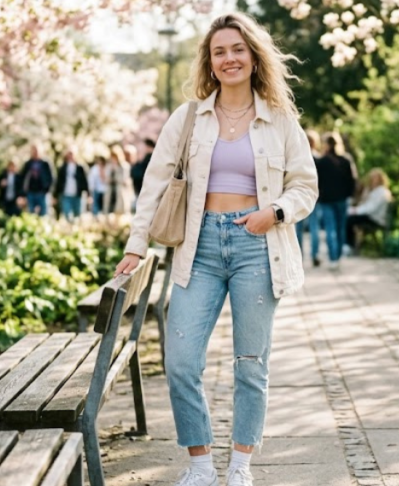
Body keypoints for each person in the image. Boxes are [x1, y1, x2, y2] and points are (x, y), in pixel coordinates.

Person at [114, 12, 318, 486]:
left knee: (251, 363)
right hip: (198, 246)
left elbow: (306, 185)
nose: (229, 59)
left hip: (256, 246)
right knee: (180, 362)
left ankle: (241, 465)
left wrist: (276, 212)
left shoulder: (280, 119)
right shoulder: (188, 117)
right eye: (219, 51)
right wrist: (136, 245)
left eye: (237, 49)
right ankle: (201, 463)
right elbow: (155, 184)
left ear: (253, 56)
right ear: (210, 61)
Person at [315, 132, 357, 270]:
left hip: (327, 200)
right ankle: (337, 257)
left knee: (330, 229)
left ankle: (333, 258)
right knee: (340, 228)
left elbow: (316, 182)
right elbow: (352, 180)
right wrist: (349, 195)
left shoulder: (321, 162)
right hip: (342, 199)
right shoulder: (346, 161)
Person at [294, 129, 323, 267]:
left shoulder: (299, 157)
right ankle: (315, 254)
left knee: (298, 227)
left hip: (299, 196)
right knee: (314, 227)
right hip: (315, 197)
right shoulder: (319, 159)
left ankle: (299, 256)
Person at [346, 168, 392, 250]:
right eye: (372, 178)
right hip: (371, 216)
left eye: (375, 178)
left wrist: (355, 211)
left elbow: (370, 208)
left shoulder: (382, 192)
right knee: (349, 218)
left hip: (375, 218)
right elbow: (365, 204)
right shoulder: (374, 191)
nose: (373, 181)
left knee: (349, 220)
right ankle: (349, 245)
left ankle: (349, 245)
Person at [54, 149, 88, 222]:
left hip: (77, 194)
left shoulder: (80, 168)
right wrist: (55, 195)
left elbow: (84, 181)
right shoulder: (62, 168)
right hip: (65, 194)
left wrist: (87, 193)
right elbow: (58, 182)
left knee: (77, 214)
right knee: (67, 213)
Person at [22, 144, 54, 216]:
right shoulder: (28, 164)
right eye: (33, 150)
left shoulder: (46, 163)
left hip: (43, 193)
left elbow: (51, 178)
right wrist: (23, 193)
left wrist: (48, 190)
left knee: (44, 214)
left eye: (37, 150)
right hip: (30, 192)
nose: (35, 152)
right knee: (31, 214)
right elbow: (22, 178)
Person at [106, 145, 132, 215]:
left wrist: (116, 171)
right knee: (110, 211)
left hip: (120, 192)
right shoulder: (109, 166)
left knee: (120, 211)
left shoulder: (124, 166)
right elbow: (107, 179)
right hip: (111, 191)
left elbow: (124, 180)